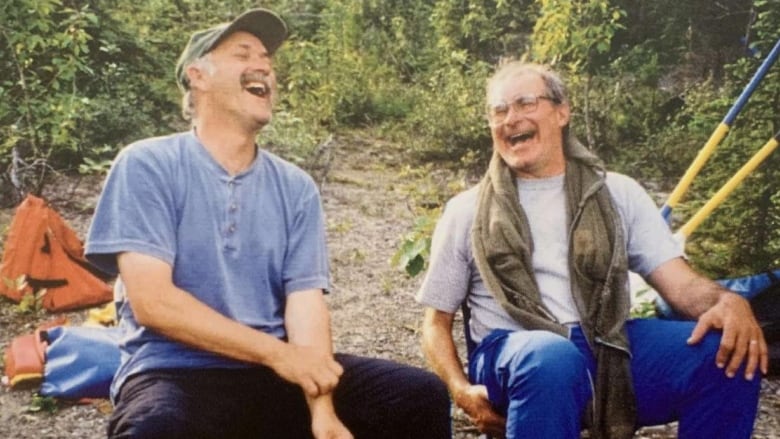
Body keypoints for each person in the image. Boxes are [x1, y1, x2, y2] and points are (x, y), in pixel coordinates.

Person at [85, 8, 450, 439]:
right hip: (173, 373)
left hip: (275, 376)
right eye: (243, 54)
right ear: (198, 76)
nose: (263, 66)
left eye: (267, 60)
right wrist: (279, 355)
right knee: (157, 429)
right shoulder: (148, 164)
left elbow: (305, 303)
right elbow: (154, 302)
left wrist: (322, 409)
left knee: (416, 394)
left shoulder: (295, 188)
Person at [416, 61, 768, 439]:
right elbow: (435, 325)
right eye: (499, 111)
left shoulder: (616, 193)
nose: (510, 119)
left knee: (727, 352)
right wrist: (461, 390)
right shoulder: (468, 210)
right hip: (514, 351)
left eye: (524, 104)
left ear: (562, 111)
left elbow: (681, 287)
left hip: (605, 343)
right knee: (551, 358)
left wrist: (726, 302)